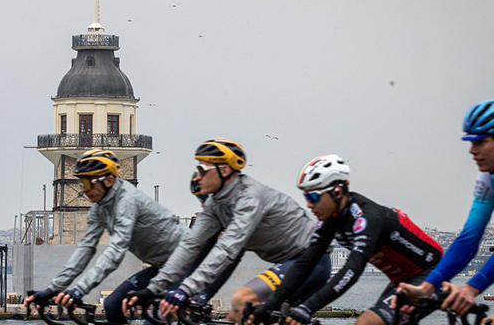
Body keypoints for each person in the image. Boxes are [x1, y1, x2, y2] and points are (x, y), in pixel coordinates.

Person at [125, 139, 331, 322]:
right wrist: (153, 289)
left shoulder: (249, 199)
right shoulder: (215, 204)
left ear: (224, 171)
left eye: (203, 170)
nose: (197, 176)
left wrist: (185, 290)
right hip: (286, 263)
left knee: (242, 299)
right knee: (235, 316)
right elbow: (189, 247)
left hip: (311, 261)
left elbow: (227, 250)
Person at [247, 154, 443, 325]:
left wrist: (308, 307)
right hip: (402, 280)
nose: (308, 205)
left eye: (313, 197)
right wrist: (270, 304)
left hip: (432, 273)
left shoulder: (367, 218)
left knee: (367, 322)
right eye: (306, 197)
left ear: (337, 192)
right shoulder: (330, 221)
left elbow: (352, 269)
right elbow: (305, 264)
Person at [23, 149, 189, 324]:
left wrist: (80, 289)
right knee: (111, 305)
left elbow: (115, 252)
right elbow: (85, 249)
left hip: (188, 263)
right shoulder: (99, 208)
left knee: (156, 319)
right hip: (162, 266)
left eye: (88, 183)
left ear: (109, 180)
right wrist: (53, 289)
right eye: (81, 182)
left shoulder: (127, 201)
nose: (83, 190)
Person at [395, 100, 494, 318]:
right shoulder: (487, 178)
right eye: (471, 142)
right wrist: (427, 288)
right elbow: (468, 239)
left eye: (480, 142)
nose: (472, 151)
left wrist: (472, 288)